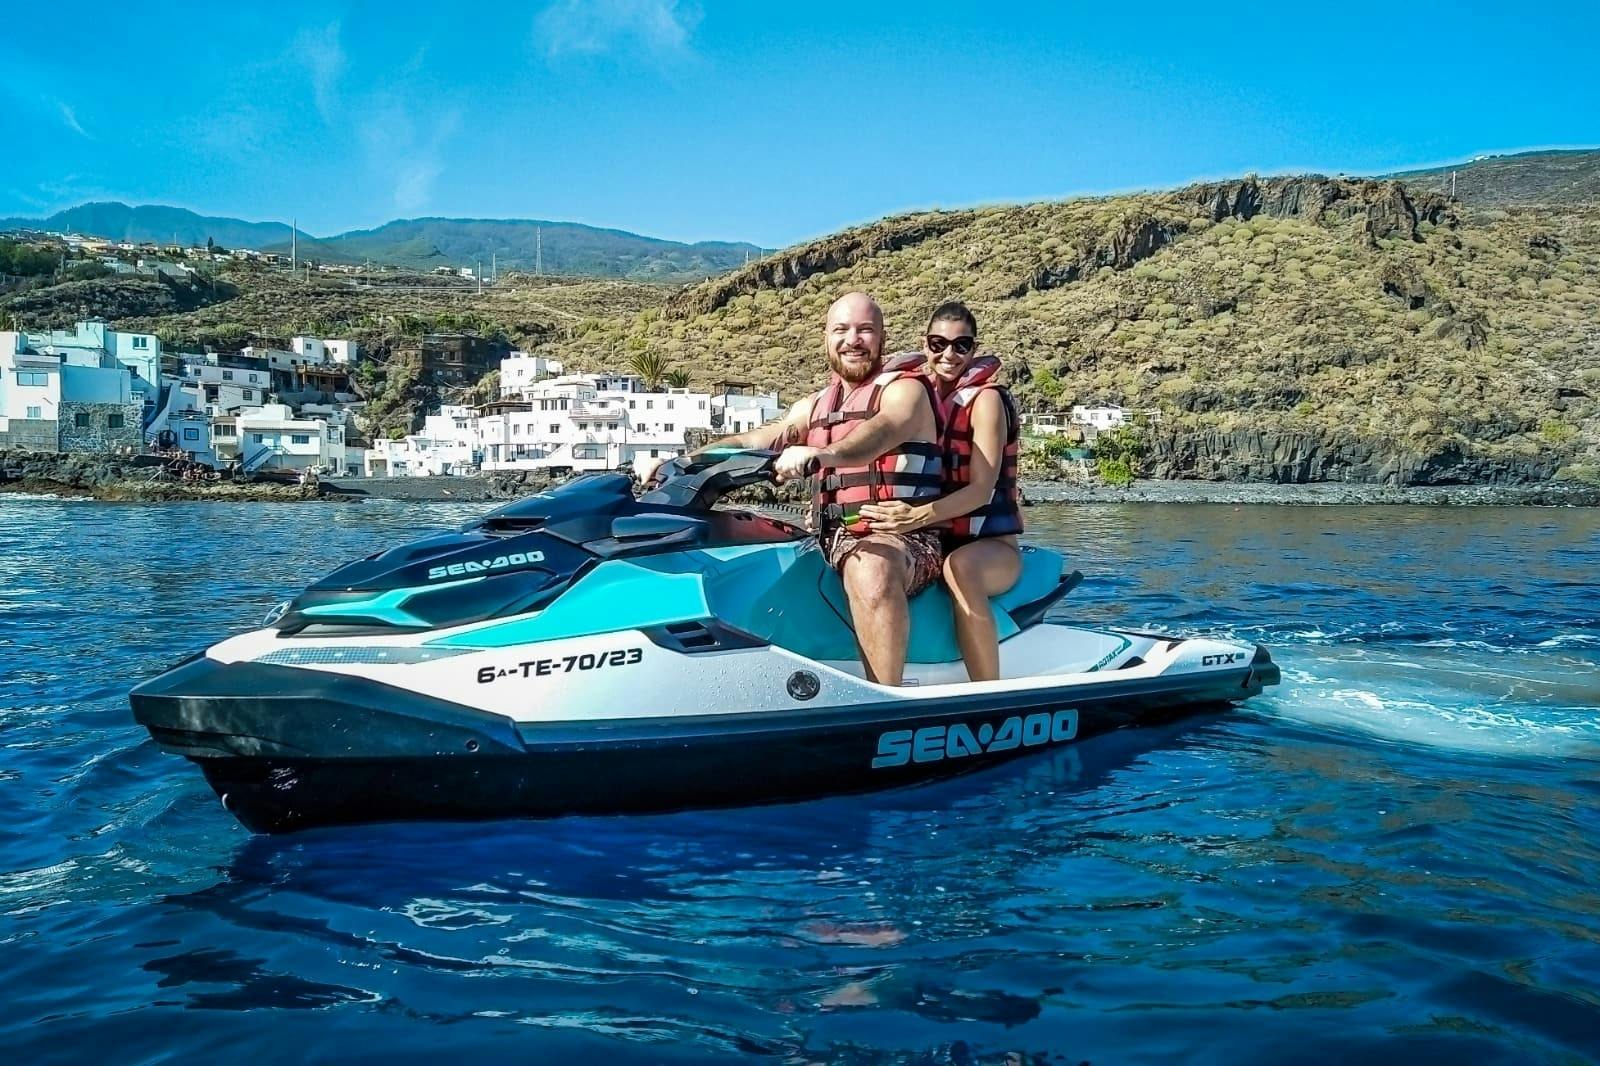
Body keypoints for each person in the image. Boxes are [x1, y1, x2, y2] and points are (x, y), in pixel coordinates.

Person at [698, 292, 944, 685]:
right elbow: (757, 439)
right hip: (827, 534)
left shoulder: (904, 391)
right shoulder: (813, 406)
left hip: (904, 537)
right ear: (826, 338)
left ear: (882, 338)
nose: (853, 339)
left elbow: (879, 432)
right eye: (841, 330)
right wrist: (686, 461)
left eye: (865, 330)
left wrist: (821, 453)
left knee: (873, 568)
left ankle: (884, 700)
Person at [859, 301, 1023, 682]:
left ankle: (988, 693)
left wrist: (914, 517)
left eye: (961, 345)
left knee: (959, 567)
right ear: (925, 344)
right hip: (936, 537)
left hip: (991, 546)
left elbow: (981, 491)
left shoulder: (986, 402)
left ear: (973, 349)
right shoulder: (916, 397)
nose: (948, 354)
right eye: (938, 343)